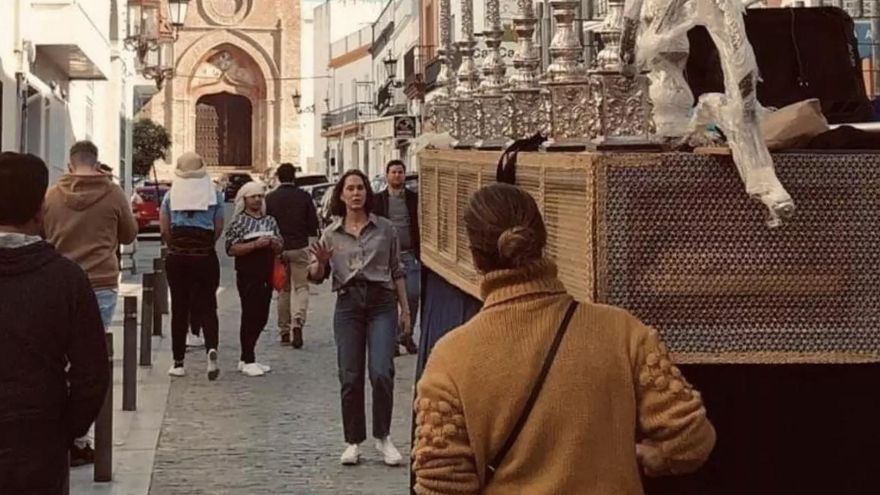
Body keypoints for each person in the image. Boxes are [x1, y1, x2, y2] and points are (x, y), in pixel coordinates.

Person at [412, 184, 716, 494]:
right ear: (542, 240)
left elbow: (440, 481)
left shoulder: (450, 357)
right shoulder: (623, 331)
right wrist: (658, 456)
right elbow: (691, 439)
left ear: (475, 256)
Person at [0, 152, 110, 492]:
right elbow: (91, 371)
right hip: (38, 432)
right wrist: (66, 428)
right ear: (40, 210)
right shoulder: (66, 279)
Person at [43, 140, 138, 466]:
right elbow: (129, 234)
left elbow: (41, 231)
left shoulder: (52, 195)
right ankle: (78, 438)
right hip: (100, 283)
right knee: (89, 362)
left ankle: (58, 431)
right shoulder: (113, 194)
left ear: (70, 164)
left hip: (57, 281)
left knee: (59, 358)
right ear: (97, 164)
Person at [309, 169, 412, 467]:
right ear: (341, 195)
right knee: (350, 375)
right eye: (350, 188)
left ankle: (383, 436)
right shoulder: (330, 233)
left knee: (381, 371)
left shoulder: (386, 229)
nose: (356, 193)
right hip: (348, 305)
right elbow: (316, 276)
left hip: (382, 302)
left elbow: (397, 270)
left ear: (367, 193)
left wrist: (405, 310)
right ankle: (353, 441)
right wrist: (321, 264)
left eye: (360, 188)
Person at [160, 152, 225, 380]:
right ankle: (211, 349)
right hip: (204, 256)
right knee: (208, 304)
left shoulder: (170, 196)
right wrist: (206, 246)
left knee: (179, 307)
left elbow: (165, 229)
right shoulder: (215, 195)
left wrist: (175, 246)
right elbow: (218, 228)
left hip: (178, 256)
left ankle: (178, 362)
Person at [225, 182, 283, 376]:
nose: (257, 200)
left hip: (266, 273)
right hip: (248, 273)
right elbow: (231, 248)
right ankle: (248, 358)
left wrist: (274, 244)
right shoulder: (239, 222)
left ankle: (246, 355)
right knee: (250, 314)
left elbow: (280, 246)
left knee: (262, 316)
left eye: (260, 196)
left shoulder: (270, 221)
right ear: (245, 199)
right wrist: (255, 245)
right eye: (253, 196)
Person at [265, 163, 319, 348]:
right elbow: (313, 224)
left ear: (278, 177)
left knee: (283, 289)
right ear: (294, 176)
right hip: (299, 247)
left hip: (279, 249)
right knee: (302, 287)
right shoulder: (304, 197)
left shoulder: (270, 198)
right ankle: (298, 321)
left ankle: (284, 331)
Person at [372, 159, 419, 356]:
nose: (397, 175)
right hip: (387, 257)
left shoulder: (413, 198)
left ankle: (405, 333)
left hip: (410, 255)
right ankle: (391, 340)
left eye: (400, 172)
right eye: (393, 172)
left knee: (413, 295)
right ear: (387, 175)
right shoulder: (378, 200)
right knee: (390, 299)